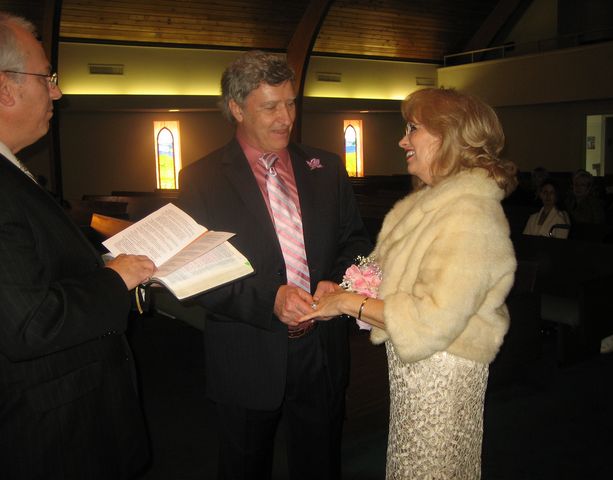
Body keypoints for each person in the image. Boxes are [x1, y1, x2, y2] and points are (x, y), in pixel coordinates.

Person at [301, 88, 517, 479]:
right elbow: (390, 275)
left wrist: (347, 303)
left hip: (442, 375)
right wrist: (346, 288)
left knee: (431, 467)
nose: (403, 141)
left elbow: (431, 319)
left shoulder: (468, 213)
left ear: (448, 136)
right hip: (415, 372)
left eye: (413, 129)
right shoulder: (429, 204)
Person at [177, 50, 371, 479]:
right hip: (247, 351)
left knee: (320, 464)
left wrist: (335, 282)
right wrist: (270, 299)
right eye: (270, 107)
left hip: (321, 348)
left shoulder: (325, 167)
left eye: (291, 103)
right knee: (244, 466)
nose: (286, 118)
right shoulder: (201, 179)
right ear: (236, 109)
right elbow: (198, 274)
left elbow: (354, 240)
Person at [0, 13, 156, 480]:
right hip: (50, 432)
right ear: (5, 89)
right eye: (46, 77)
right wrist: (113, 279)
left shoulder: (11, 172)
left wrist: (106, 264)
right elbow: (29, 323)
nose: (57, 93)